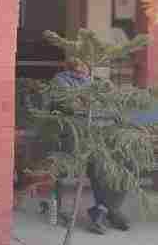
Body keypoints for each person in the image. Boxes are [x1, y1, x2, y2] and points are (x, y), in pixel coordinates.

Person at [52, 58, 132, 234]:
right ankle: (102, 212)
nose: (83, 67)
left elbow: (114, 108)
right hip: (76, 136)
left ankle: (110, 208)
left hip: (102, 135)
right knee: (99, 163)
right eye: (79, 63)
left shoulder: (96, 82)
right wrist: (95, 103)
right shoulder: (61, 80)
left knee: (127, 163)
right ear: (71, 64)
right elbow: (72, 106)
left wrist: (103, 102)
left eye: (86, 64)